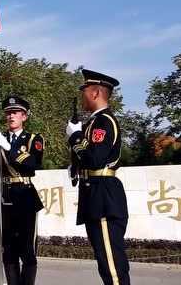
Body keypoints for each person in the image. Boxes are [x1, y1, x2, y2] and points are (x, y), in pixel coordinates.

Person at [66, 69, 130, 285]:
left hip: (103, 195)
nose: (83, 95)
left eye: (85, 90)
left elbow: (94, 158)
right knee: (105, 262)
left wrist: (74, 136)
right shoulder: (94, 122)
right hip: (94, 193)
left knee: (112, 265)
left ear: (95, 93)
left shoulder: (103, 121)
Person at [0, 96, 44, 285]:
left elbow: (34, 164)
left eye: (15, 112)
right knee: (8, 251)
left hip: (25, 195)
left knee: (27, 251)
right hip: (5, 195)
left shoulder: (34, 138)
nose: (11, 116)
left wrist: (10, 148)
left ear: (24, 116)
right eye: (8, 113)